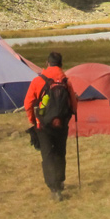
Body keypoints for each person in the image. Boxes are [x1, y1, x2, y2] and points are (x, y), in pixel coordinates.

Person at [24, 51, 78, 201]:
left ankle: (54, 188)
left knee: (47, 155)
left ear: (47, 63)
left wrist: (32, 120)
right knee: (60, 152)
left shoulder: (38, 81)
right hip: (61, 123)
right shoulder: (66, 81)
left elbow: (27, 103)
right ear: (61, 64)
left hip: (44, 124)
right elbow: (74, 105)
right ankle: (60, 181)